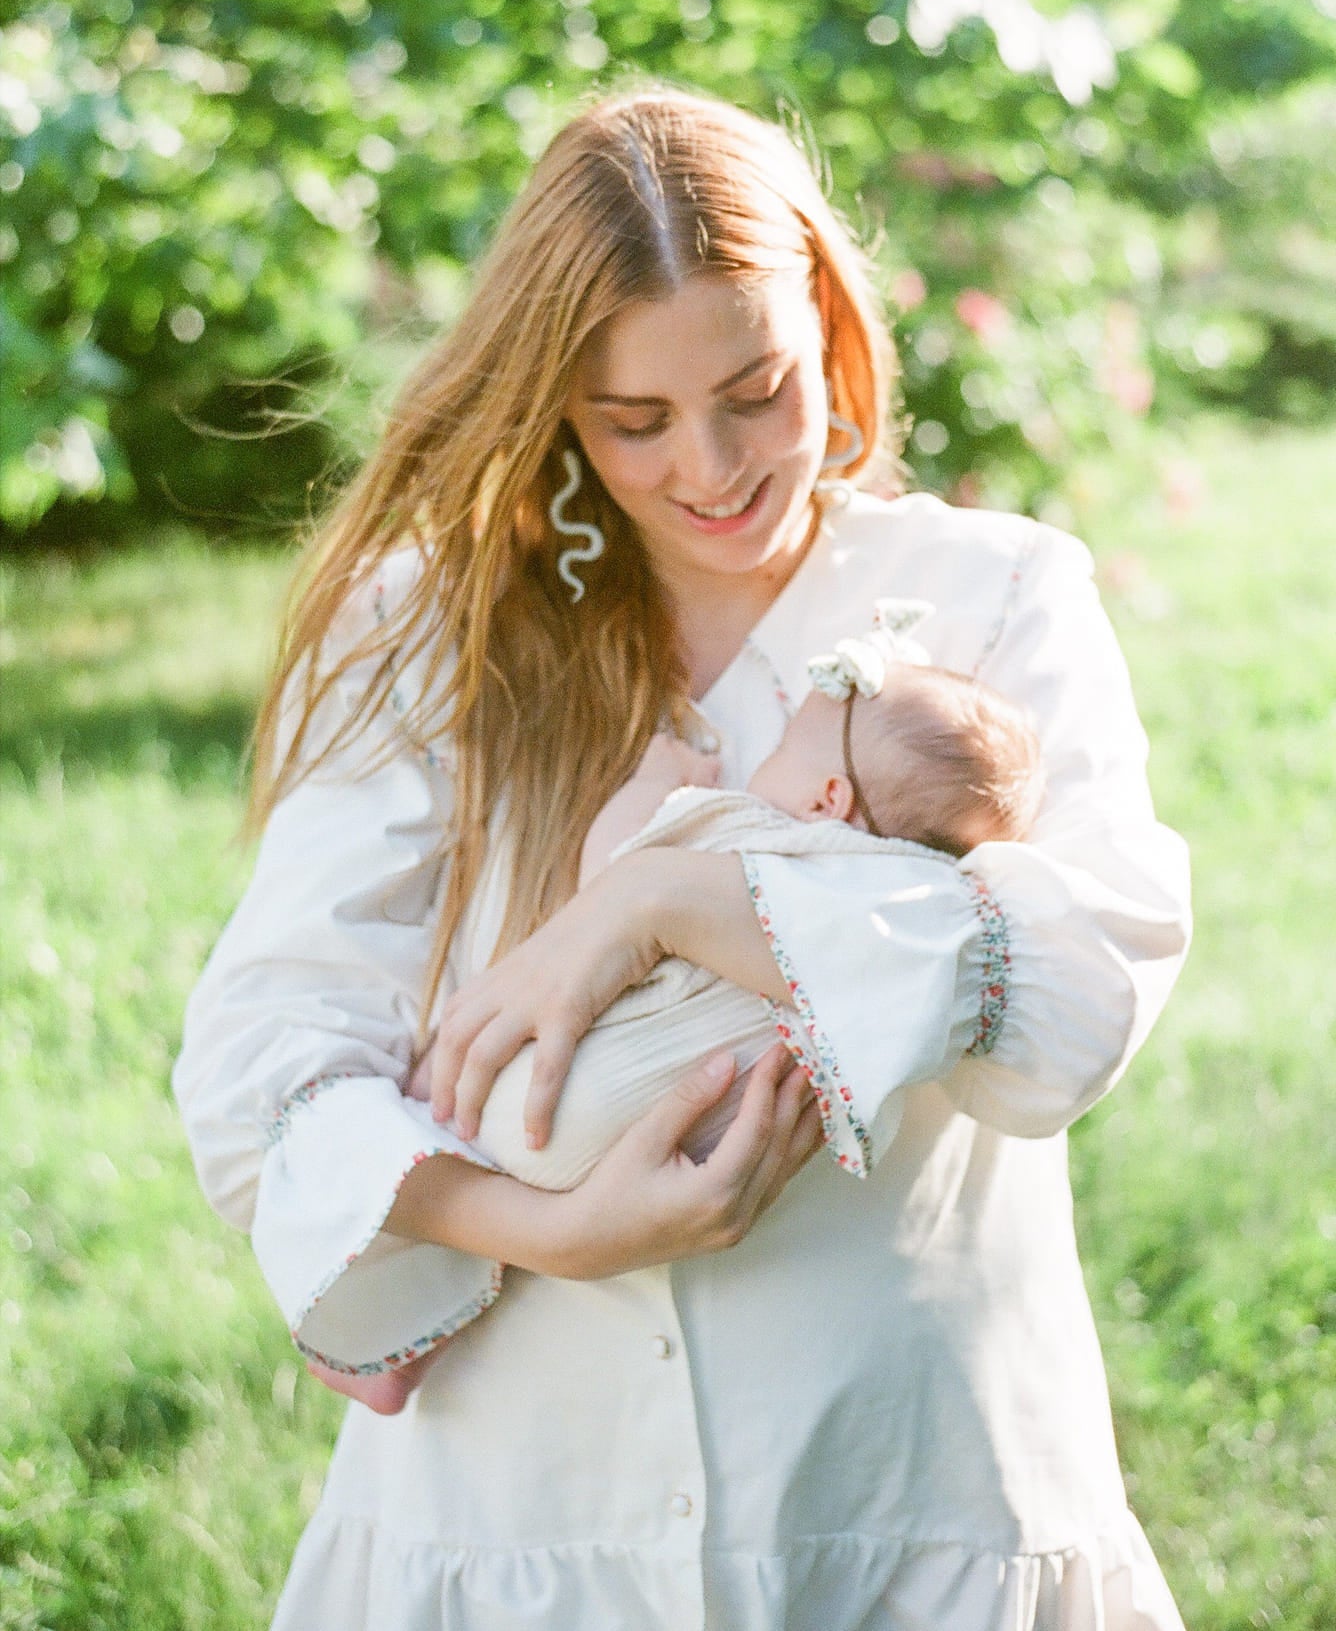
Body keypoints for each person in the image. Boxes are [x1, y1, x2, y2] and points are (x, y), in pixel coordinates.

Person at [173, 83, 1192, 1630]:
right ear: (554, 403)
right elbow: (265, 1067)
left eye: (758, 387)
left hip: (899, 1484)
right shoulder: (428, 630)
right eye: (633, 420)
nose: (713, 466)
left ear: (831, 332)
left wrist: (656, 898)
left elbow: (1068, 1005)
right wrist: (553, 1227)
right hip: (523, 1502)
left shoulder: (991, 596)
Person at [315, 616, 1048, 1416]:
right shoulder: (904, 914)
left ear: (826, 799)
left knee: (435, 1093)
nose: (759, 765)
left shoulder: (751, 844)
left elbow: (615, 871)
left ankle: (390, 1349)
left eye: (781, 751)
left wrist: (653, 787)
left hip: (561, 1099)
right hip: (697, 1138)